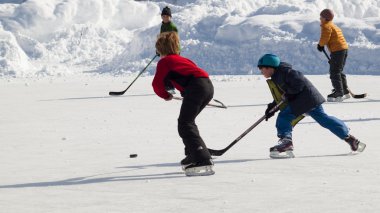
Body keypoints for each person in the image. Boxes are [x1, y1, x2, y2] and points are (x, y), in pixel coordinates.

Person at [257, 53, 366, 158]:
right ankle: (351, 139)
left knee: (285, 116)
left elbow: (298, 82)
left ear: (270, 67)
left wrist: (289, 94)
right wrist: (272, 107)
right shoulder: (278, 75)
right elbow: (283, 95)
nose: (261, 72)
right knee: (324, 119)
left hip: (305, 100)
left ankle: (286, 143)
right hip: (308, 100)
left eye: (262, 69)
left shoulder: (286, 72)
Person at [152, 32, 214, 176]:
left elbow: (157, 84)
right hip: (207, 86)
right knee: (187, 122)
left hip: (196, 88)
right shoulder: (183, 59)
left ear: (160, 49)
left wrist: (165, 95)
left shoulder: (165, 62)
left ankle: (202, 157)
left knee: (185, 123)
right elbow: (187, 76)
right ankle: (194, 152)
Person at [318, 9, 350, 102]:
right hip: (343, 49)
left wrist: (320, 45)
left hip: (338, 51)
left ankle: (339, 92)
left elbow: (325, 37)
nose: (320, 18)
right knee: (338, 71)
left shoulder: (326, 25)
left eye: (321, 17)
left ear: (325, 18)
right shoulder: (332, 25)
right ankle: (344, 90)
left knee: (334, 72)